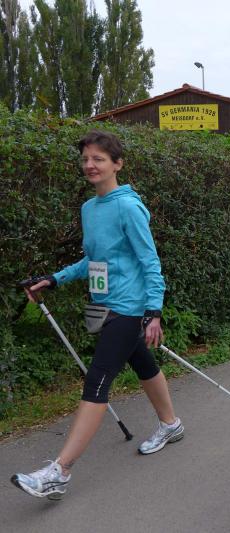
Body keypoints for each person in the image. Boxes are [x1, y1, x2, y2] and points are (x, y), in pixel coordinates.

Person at [12, 130, 181, 500]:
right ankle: (170, 424)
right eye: (85, 159)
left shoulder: (128, 207)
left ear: (117, 164)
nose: (90, 165)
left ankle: (60, 471)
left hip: (128, 308)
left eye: (99, 159)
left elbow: (149, 261)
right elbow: (93, 260)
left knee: (97, 380)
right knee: (142, 363)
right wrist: (54, 279)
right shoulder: (90, 208)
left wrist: (154, 310)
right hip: (103, 303)